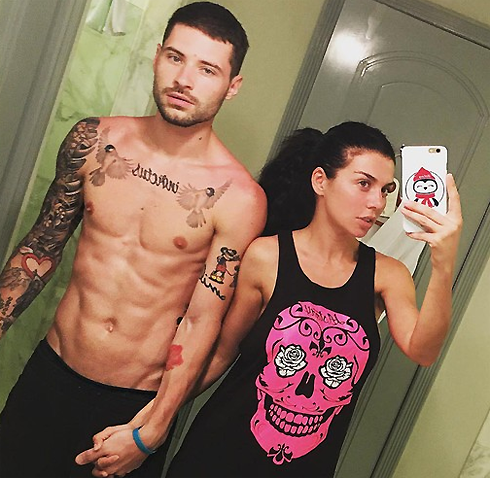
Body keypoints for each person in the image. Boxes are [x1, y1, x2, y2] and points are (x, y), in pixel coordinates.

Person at [0, 2, 266, 477]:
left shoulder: (239, 198)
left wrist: (152, 430)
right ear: (157, 56)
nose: (184, 79)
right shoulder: (94, 140)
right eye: (176, 58)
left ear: (233, 86)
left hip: (132, 409)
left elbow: (203, 321)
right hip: (50, 375)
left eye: (207, 69)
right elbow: (41, 246)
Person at [160, 122, 460, 477]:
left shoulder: (387, 276)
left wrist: (443, 264)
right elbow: (223, 352)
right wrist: (155, 419)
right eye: (364, 184)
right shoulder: (267, 256)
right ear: (320, 181)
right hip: (215, 457)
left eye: (385, 190)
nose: (377, 203)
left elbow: (423, 351)